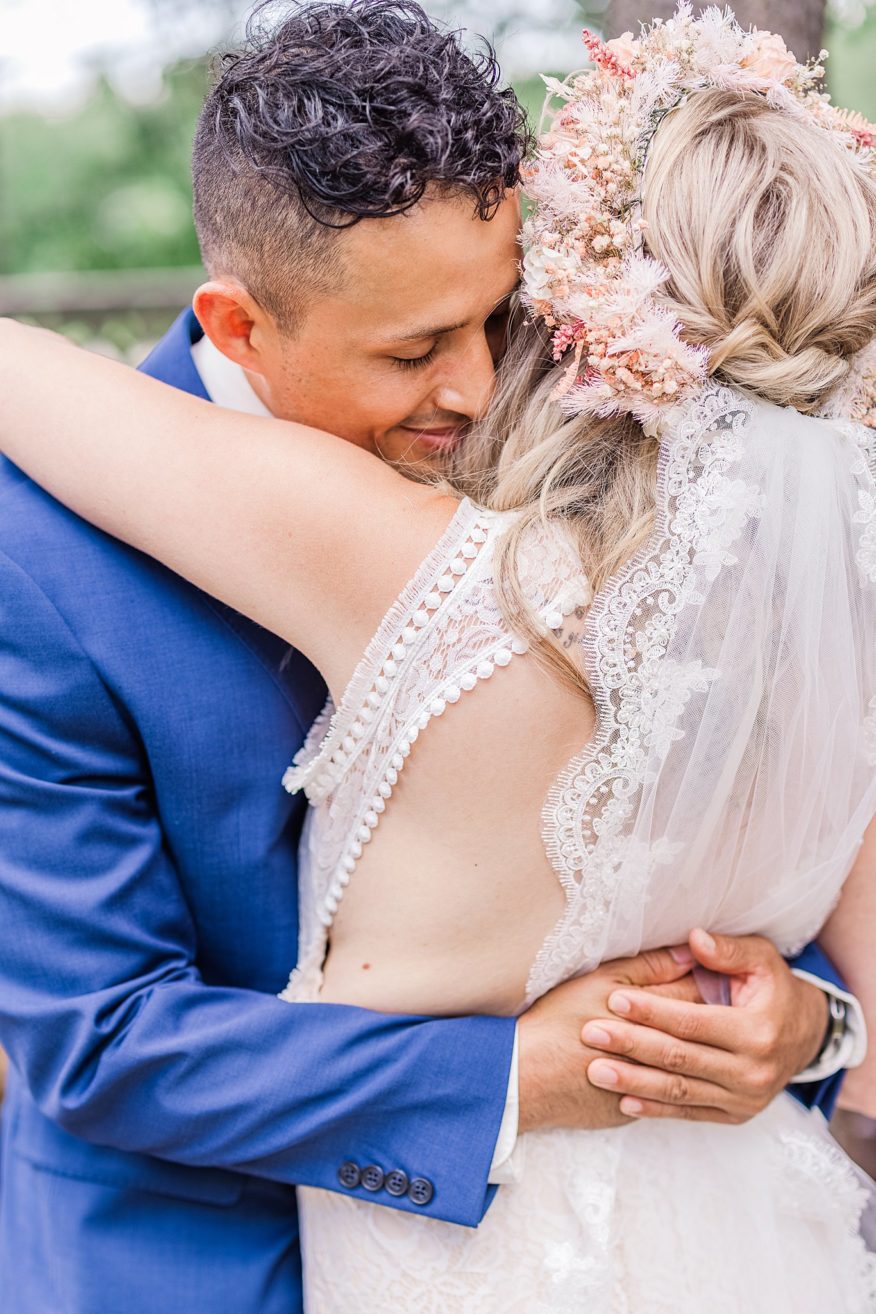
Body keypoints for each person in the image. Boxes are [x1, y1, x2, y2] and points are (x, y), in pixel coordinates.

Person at [0, 4, 868, 1313]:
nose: (475, 391)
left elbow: (682, 837)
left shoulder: (580, 472)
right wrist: (516, 1077)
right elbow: (99, 1041)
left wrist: (803, 1024)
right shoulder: (43, 557)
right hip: (196, 1273)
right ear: (235, 327)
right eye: (412, 351)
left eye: (502, 317)